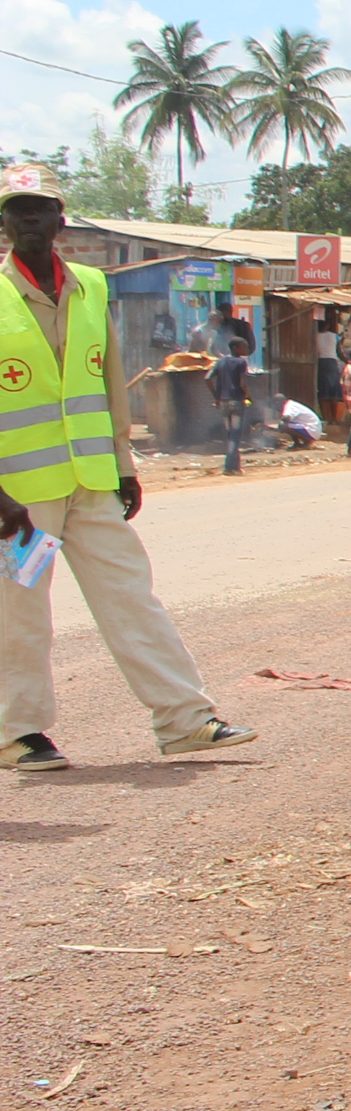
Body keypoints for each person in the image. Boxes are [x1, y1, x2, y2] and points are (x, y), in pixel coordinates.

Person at [0, 162, 255, 772]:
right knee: (20, 612)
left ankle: (185, 721)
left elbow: (109, 381)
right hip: (18, 494)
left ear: (61, 220)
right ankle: (17, 732)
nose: (29, 218)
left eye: (40, 208)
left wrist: (123, 464)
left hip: (91, 479)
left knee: (131, 597)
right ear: (3, 222)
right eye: (16, 209)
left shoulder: (91, 285)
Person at [207, 328, 254, 475]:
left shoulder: (221, 361)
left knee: (230, 435)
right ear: (235, 348)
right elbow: (243, 384)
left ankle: (236, 467)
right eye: (244, 347)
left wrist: (216, 396)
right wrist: (249, 396)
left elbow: (207, 378)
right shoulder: (241, 362)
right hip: (236, 401)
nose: (246, 349)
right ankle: (229, 467)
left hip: (223, 402)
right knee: (235, 435)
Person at [312, 314, 340, 416]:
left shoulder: (315, 336)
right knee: (334, 392)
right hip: (332, 362)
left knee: (323, 391)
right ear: (328, 325)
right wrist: (349, 361)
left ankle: (325, 417)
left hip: (321, 363)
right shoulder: (334, 336)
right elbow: (339, 352)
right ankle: (334, 417)